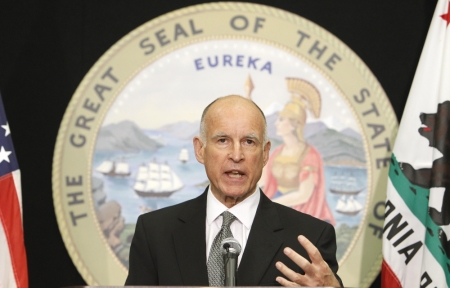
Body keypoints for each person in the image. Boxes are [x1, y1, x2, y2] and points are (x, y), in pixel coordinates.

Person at [125, 95, 343, 287]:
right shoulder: (155, 232)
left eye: (249, 142)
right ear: (200, 150)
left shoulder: (310, 237)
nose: (236, 155)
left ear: (265, 153)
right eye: (223, 140)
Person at [261, 78, 336, 225]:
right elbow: (262, 181)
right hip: (276, 207)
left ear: (295, 124)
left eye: (282, 119)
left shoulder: (310, 155)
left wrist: (269, 206)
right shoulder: (276, 152)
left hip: (301, 212)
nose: (276, 123)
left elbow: (304, 195)